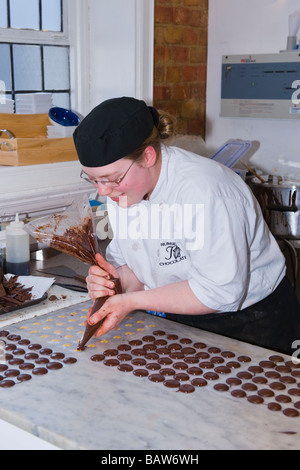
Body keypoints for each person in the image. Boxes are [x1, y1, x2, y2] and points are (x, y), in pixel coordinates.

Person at [73, 96, 300, 356]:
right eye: (93, 180)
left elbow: (221, 291)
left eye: (112, 179)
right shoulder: (119, 192)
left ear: (147, 156)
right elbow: (135, 269)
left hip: (251, 323)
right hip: (181, 319)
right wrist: (112, 282)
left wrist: (131, 301)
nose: (103, 190)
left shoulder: (205, 191)